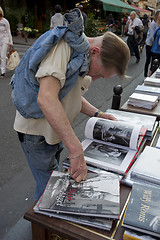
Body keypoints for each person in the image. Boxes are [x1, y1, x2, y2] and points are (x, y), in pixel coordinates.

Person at [10, 8, 130, 201]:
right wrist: (76, 150)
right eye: (100, 73)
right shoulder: (64, 47)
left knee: (52, 185)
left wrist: (98, 114)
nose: (96, 78)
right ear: (95, 51)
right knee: (48, 192)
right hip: (37, 134)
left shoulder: (81, 56)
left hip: (50, 134)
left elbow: (68, 95)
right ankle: (43, 228)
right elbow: (47, 98)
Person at [144, 10, 160, 77]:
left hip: (154, 45)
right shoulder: (153, 24)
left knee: (153, 62)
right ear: (157, 16)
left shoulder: (158, 24)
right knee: (148, 60)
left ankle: (150, 75)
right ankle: (145, 75)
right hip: (149, 45)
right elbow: (151, 37)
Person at [0, 6, 13, 77]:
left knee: (2, 56)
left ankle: (3, 71)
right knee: (2, 56)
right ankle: (6, 61)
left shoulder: (5, 21)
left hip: (5, 39)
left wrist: (11, 42)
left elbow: (8, 31)